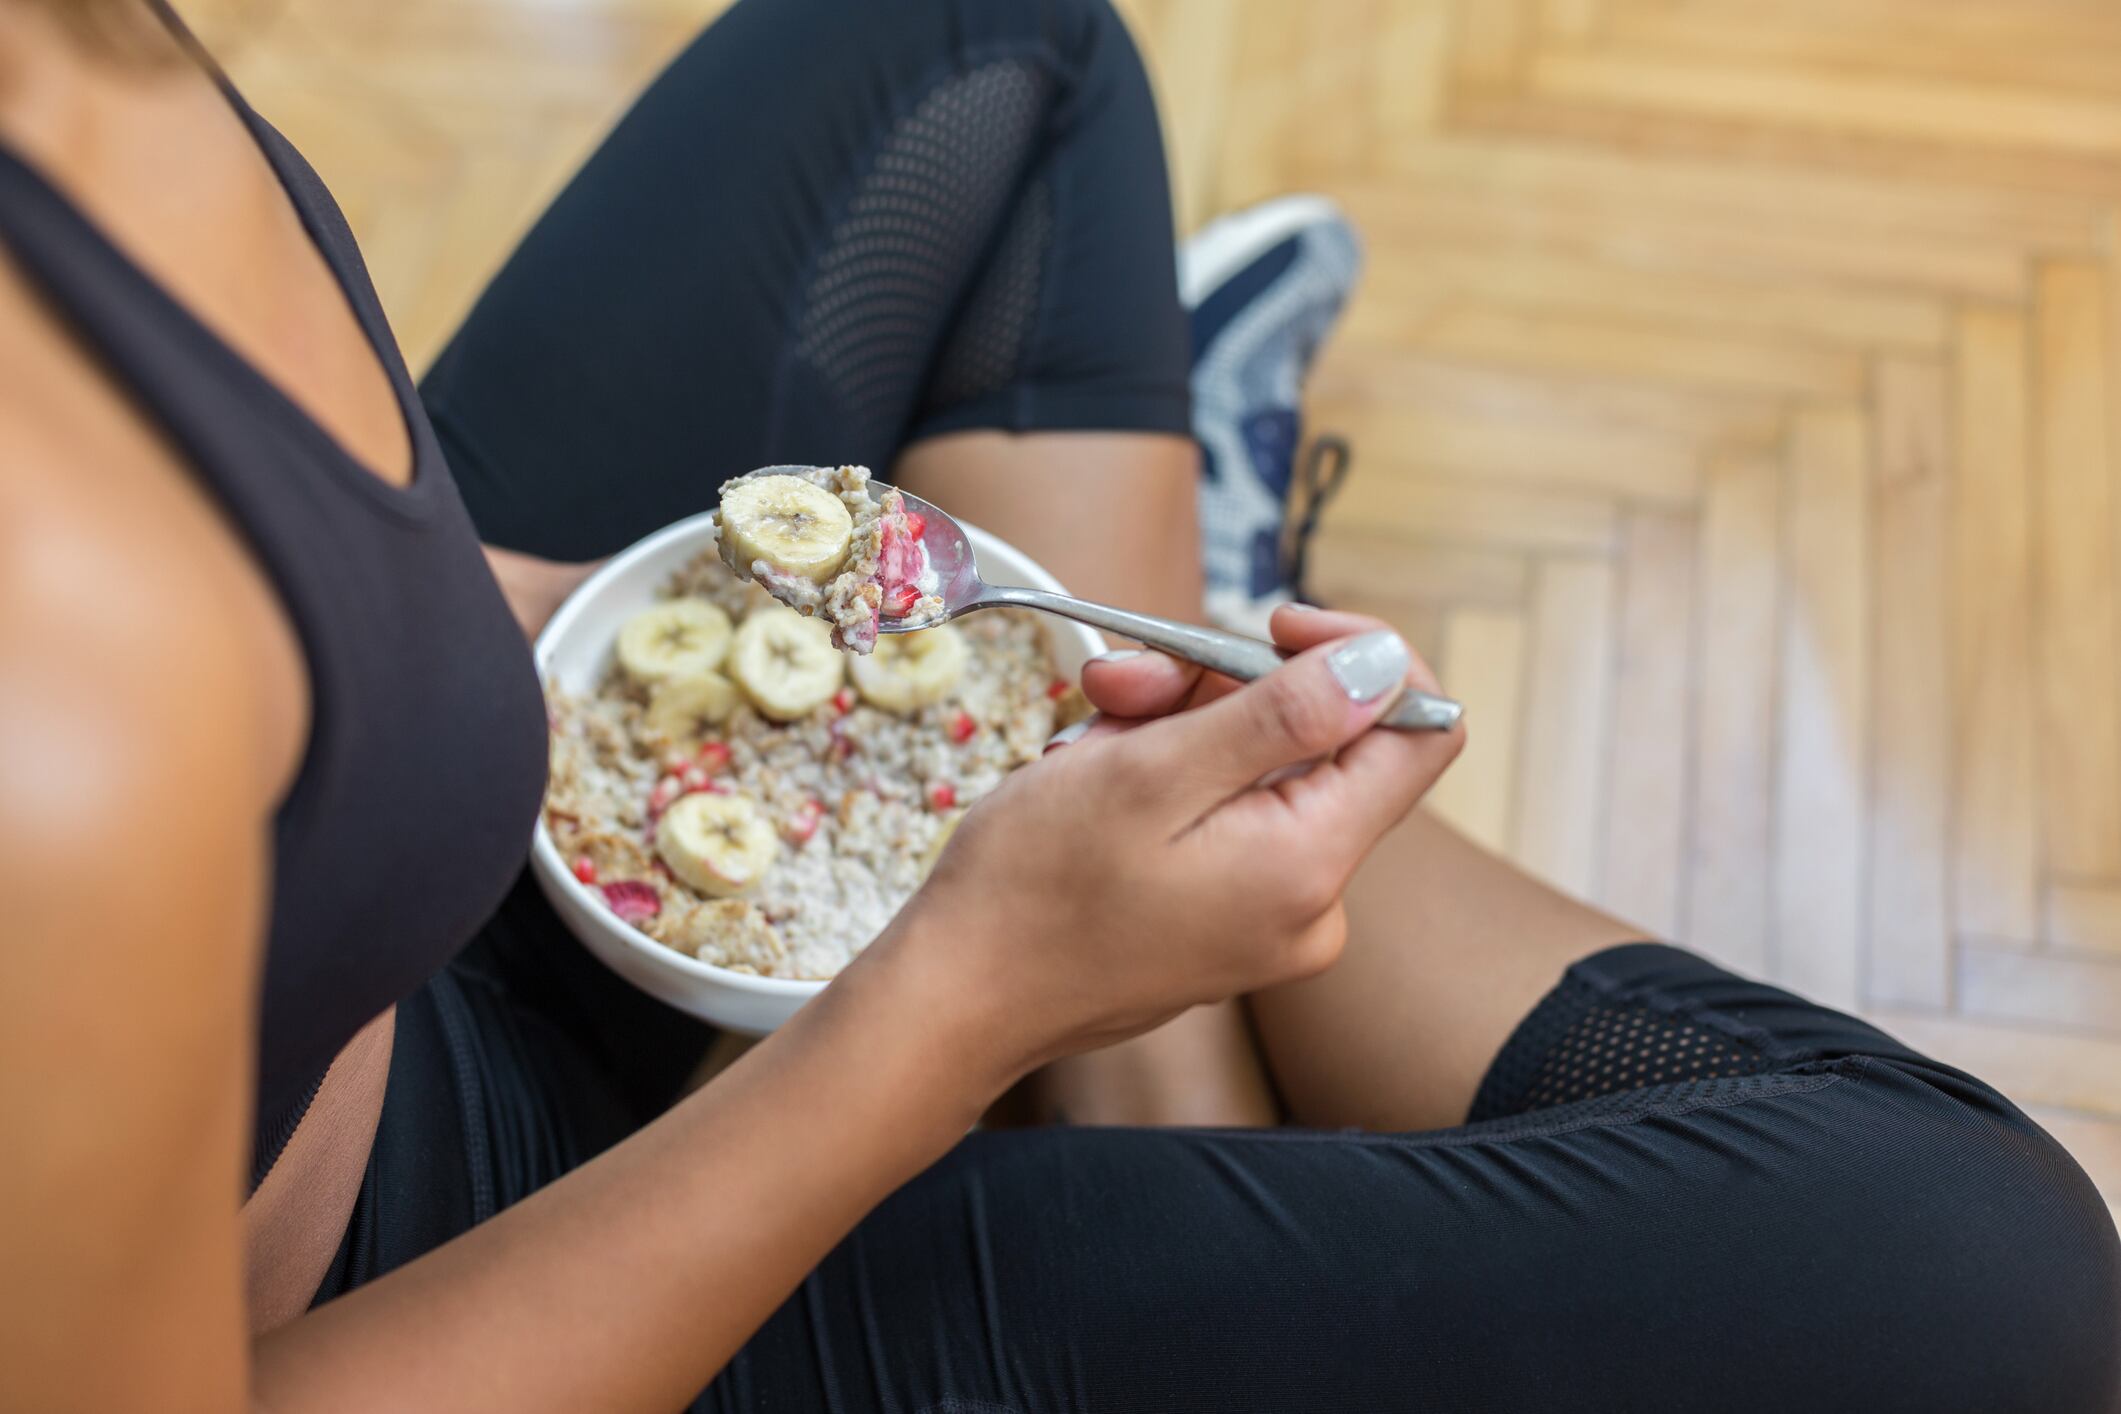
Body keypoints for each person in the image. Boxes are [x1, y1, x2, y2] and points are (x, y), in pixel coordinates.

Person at [1, 0, 2115, 1409]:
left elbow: (288, 576)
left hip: (405, 870)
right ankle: (1159, 875)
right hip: (447, 1274)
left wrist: (594, 638)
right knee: (1979, 1270)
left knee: (989, 47)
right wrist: (961, 1006)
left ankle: (1157, 843)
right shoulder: (59, 731)